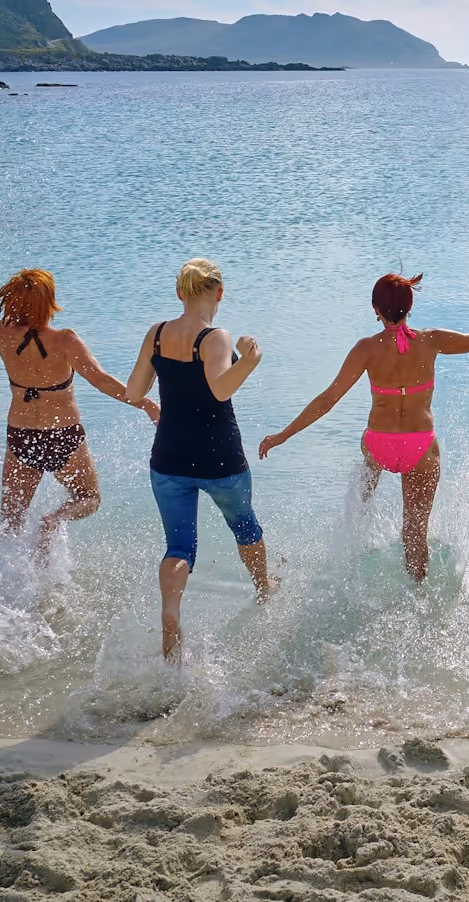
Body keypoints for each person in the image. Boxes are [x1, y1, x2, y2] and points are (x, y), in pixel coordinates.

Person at [259, 274, 469, 581]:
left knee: (362, 492)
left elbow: (328, 400)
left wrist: (282, 436)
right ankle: (418, 596)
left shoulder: (366, 349)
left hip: (378, 445)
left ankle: (356, 545)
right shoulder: (431, 340)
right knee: (414, 531)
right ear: (410, 306)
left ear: (376, 309)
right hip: (420, 449)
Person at [0, 269, 160, 565]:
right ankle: (53, 520)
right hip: (63, 435)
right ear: (48, 302)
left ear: (12, 301)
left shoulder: (0, 332)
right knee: (88, 498)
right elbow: (101, 380)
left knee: (10, 524)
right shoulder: (65, 340)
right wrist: (147, 405)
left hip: (21, 437)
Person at [123, 259, 275, 661]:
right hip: (219, 458)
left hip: (169, 456)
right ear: (219, 293)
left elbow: (134, 391)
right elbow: (221, 390)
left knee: (178, 547)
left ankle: (171, 613)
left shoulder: (156, 334)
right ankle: (264, 588)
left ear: (179, 293)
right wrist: (250, 360)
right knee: (245, 526)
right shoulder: (216, 337)